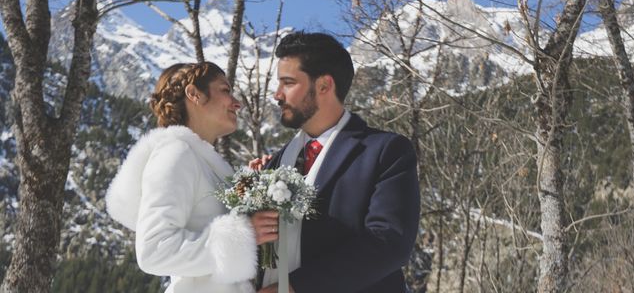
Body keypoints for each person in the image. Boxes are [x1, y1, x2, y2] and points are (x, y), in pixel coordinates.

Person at [257, 32, 420, 293]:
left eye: (288, 83)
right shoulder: (274, 163)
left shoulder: (385, 152)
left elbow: (388, 242)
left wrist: (295, 288)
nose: (277, 95)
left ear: (324, 85)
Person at [106, 62, 279, 293]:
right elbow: (154, 251)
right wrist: (243, 234)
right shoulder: (176, 152)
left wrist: (252, 187)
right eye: (225, 90)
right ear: (194, 94)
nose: (236, 103)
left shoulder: (202, 162)